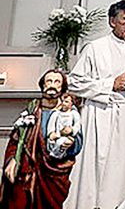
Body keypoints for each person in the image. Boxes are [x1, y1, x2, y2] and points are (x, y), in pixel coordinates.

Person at [64, 0, 125, 209]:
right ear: (112, 21)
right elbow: (75, 81)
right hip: (102, 114)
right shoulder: (95, 48)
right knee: (98, 168)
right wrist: (110, 84)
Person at [0, 70, 82, 209]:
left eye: (57, 82)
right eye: (49, 81)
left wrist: (70, 144)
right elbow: (16, 140)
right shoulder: (32, 110)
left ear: (62, 87)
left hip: (54, 171)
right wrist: (12, 160)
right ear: (43, 85)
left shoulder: (69, 113)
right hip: (27, 171)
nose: (52, 85)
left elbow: (78, 139)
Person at [46, 93, 81, 159]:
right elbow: (51, 125)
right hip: (57, 135)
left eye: (66, 102)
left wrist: (72, 130)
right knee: (55, 142)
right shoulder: (56, 114)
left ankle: (57, 155)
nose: (64, 103)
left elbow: (77, 125)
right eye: (62, 101)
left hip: (67, 136)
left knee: (62, 142)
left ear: (72, 103)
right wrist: (51, 133)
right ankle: (54, 155)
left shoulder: (74, 114)